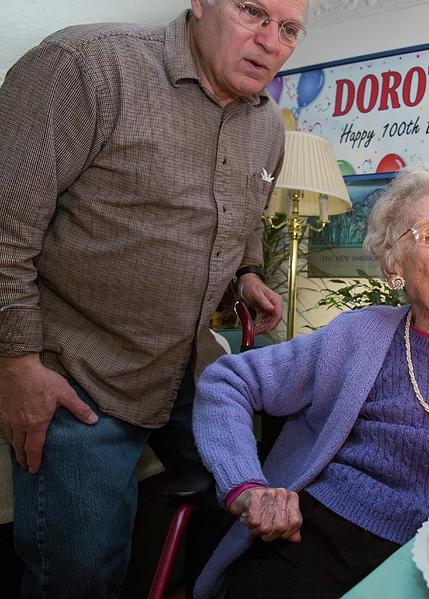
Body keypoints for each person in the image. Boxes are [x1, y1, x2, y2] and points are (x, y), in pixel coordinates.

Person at [0, 1, 306, 596]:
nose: (271, 40)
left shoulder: (268, 125)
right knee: (81, 576)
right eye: (252, 11)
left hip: (184, 365)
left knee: (250, 503)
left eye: (289, 28)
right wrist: (15, 365)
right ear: (200, 4)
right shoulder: (83, 67)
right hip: (78, 365)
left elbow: (238, 214)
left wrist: (247, 273)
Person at [191, 164, 429, 599]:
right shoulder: (356, 334)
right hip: (331, 530)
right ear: (394, 266)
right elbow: (226, 381)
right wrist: (246, 486)